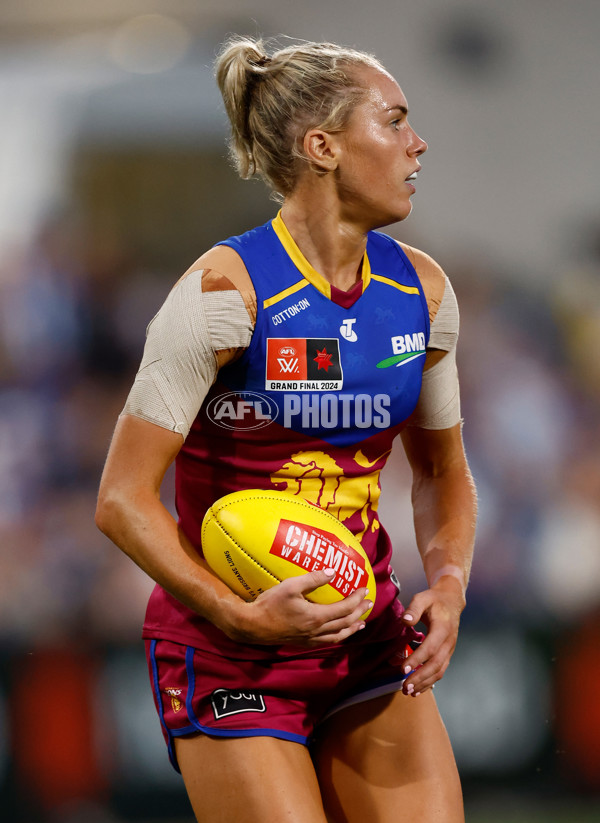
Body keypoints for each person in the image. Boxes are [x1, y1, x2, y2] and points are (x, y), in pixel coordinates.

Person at [96, 35, 477, 823]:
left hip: (365, 635)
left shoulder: (423, 292)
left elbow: (441, 472)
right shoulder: (220, 292)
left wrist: (448, 583)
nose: (418, 143)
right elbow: (122, 499)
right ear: (323, 146)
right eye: (396, 120)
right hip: (231, 646)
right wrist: (237, 612)